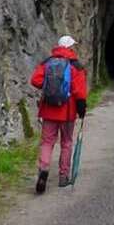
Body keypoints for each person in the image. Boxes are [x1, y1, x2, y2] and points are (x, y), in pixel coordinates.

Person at [30, 35, 87, 193]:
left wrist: (48, 87)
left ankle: (44, 170)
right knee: (66, 143)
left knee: (47, 142)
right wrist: (82, 109)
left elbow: (35, 80)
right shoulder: (76, 65)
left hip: (49, 110)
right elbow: (80, 92)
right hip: (67, 111)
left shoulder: (47, 62)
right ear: (70, 48)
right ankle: (63, 176)